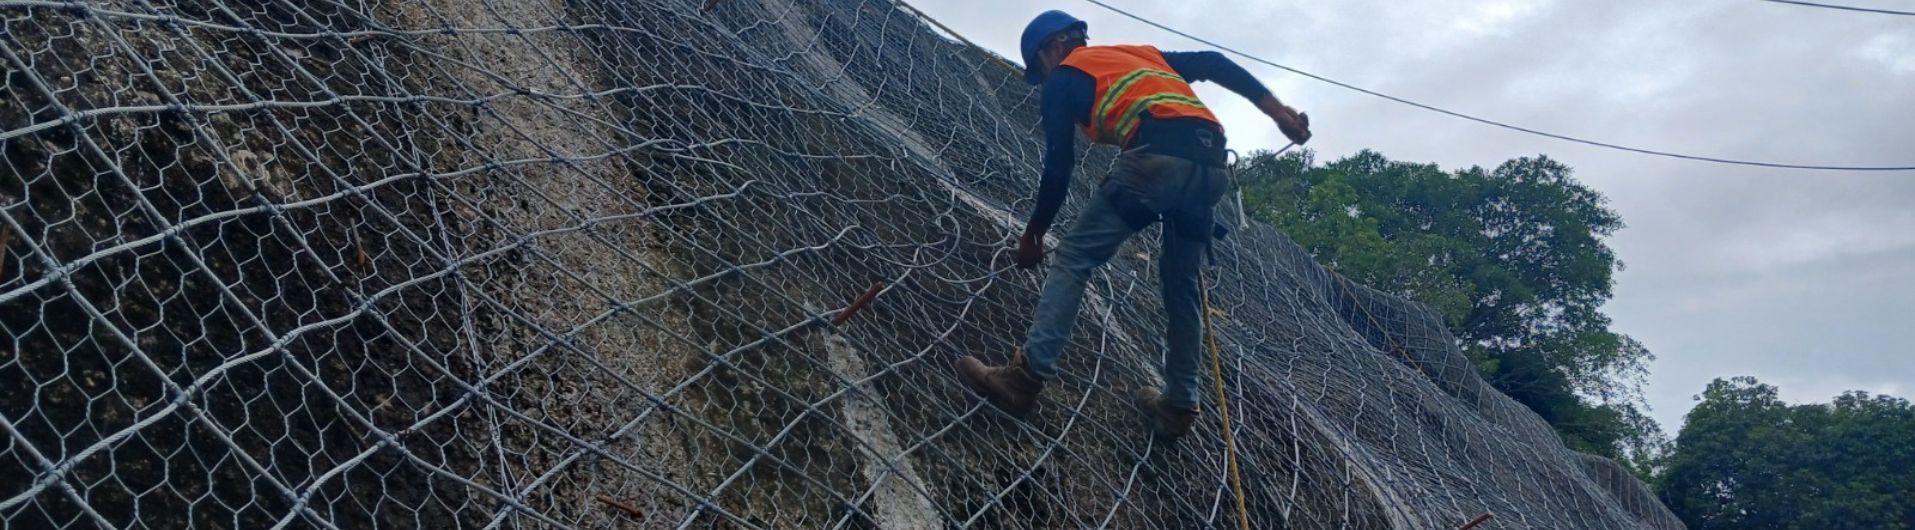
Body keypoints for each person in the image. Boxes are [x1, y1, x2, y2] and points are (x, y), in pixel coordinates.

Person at [955, 10, 1312, 438]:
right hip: (1211, 166)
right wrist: (1279, 113)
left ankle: (1024, 380)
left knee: (1074, 256)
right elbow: (1213, 62)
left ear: (1052, 48)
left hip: (1156, 160)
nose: (1044, 79)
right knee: (1181, 282)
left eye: (1040, 69)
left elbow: (1058, 168)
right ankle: (1178, 406)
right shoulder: (1139, 56)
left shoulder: (1064, 78)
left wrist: (1033, 234)